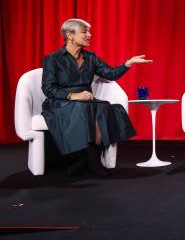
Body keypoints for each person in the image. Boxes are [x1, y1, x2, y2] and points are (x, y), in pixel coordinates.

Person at [42, 19, 153, 176]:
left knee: (109, 108)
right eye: (84, 32)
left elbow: (111, 74)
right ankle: (93, 163)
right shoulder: (52, 59)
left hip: (86, 101)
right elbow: (48, 88)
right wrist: (73, 95)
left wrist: (128, 63)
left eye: (89, 31)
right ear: (70, 35)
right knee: (84, 108)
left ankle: (84, 161)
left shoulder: (91, 57)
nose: (89, 35)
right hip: (61, 102)